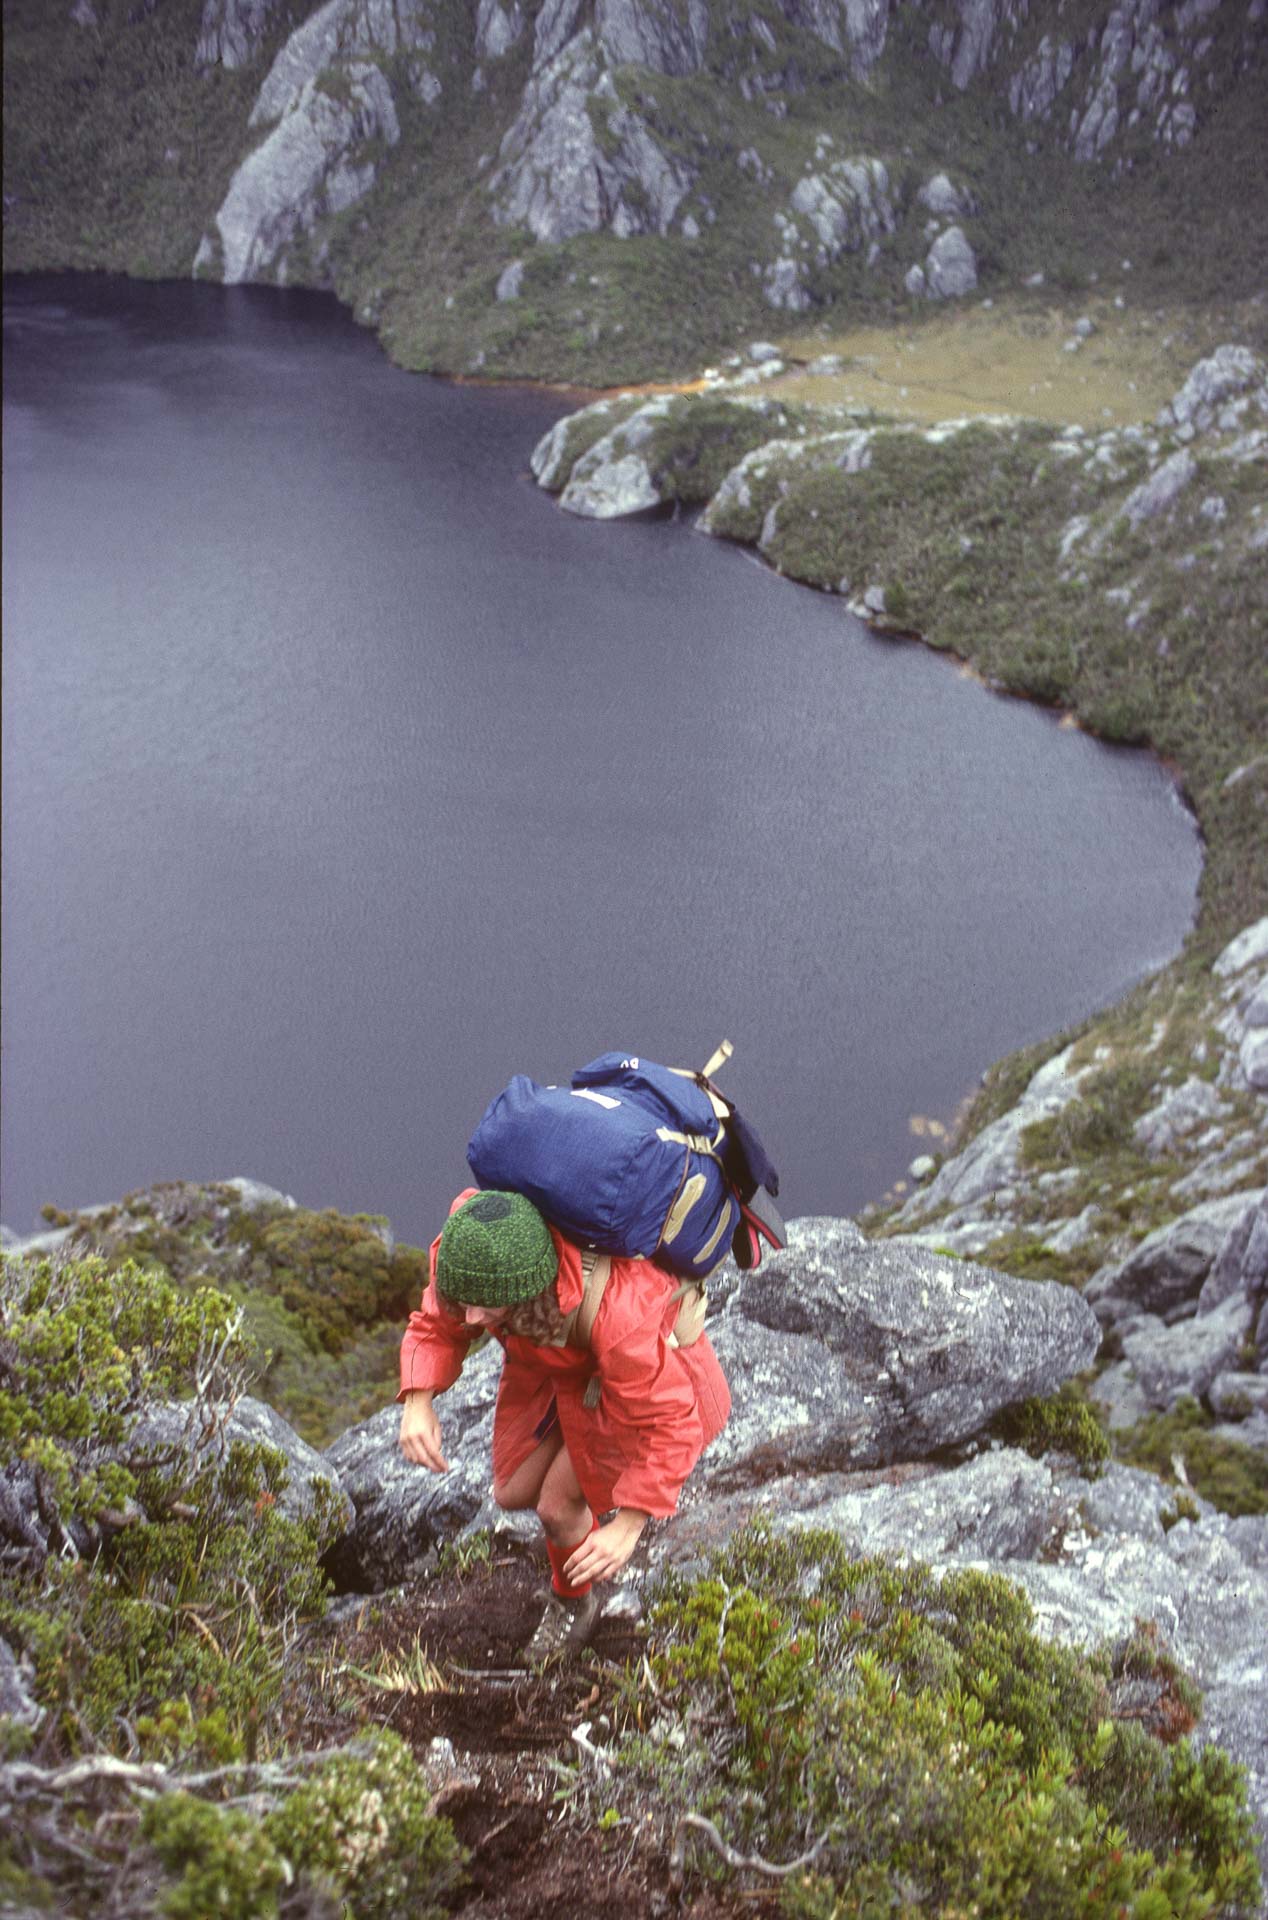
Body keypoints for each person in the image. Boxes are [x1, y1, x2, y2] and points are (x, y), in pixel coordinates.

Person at [398, 1187, 731, 1659]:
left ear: (528, 1294)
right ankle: (580, 1531)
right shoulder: (471, 1248)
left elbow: (671, 1420)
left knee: (556, 1508)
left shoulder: (619, 1315)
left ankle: (574, 1602)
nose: (471, 1317)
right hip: (561, 1371)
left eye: (484, 1307)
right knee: (513, 1490)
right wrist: (418, 1399)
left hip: (637, 1388)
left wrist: (629, 1525)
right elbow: (438, 1324)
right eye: (465, 1301)